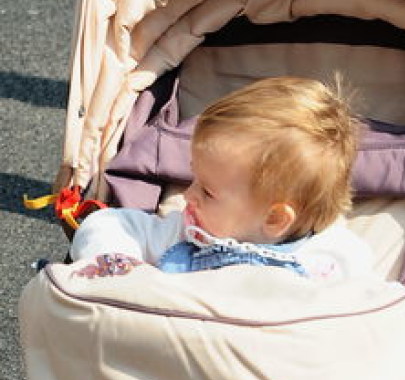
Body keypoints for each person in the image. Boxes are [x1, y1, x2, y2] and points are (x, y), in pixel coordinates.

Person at [70, 77, 371, 281]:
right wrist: (124, 272)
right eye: (194, 180)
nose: (188, 196)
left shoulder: (335, 262)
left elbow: (379, 319)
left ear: (276, 218)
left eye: (208, 191)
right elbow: (107, 224)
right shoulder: (186, 234)